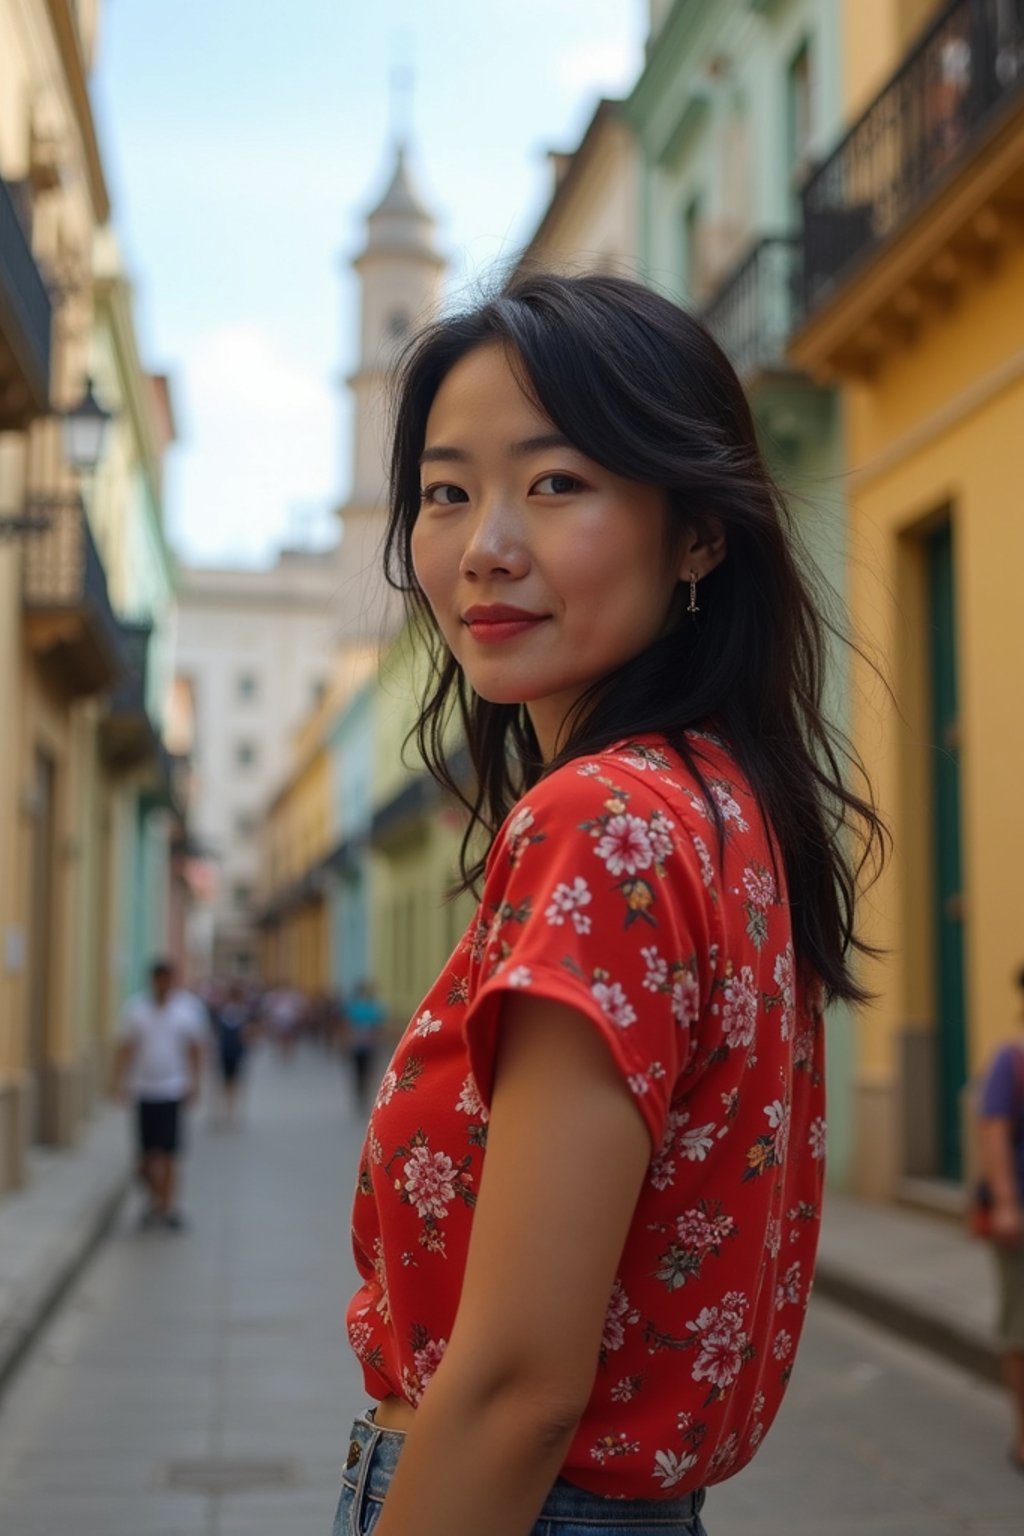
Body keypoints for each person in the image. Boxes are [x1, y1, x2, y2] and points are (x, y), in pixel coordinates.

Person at [335, 272, 885, 1536]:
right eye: (446, 493)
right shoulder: (723, 804)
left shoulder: (601, 822)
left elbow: (521, 1388)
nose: (485, 548)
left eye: (557, 483)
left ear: (698, 532)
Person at [114, 958, 204, 1230]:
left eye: (168, 980)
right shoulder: (136, 1009)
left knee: (169, 1154)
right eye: (159, 979)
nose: (164, 985)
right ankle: (153, 1199)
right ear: (152, 981)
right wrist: (120, 1082)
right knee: (144, 1156)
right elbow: (126, 1047)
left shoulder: (186, 1010)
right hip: (144, 1089)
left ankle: (167, 1207)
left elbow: (194, 1048)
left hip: (172, 1089)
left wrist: (194, 1082)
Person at [978, 965, 1024, 1470]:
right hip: (1021, 1218)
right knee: (1020, 1326)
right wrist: (1007, 1205)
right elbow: (993, 1131)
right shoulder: (1011, 1060)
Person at [209, 977, 255, 1125]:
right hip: (226, 1051)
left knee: (231, 1083)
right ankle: (225, 1112)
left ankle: (230, 1112)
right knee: (227, 1083)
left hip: (235, 1052)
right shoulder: (224, 1011)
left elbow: (248, 1033)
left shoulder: (241, 1012)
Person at [341, 980, 388, 1112]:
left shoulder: (373, 1008)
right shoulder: (354, 1007)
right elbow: (346, 1025)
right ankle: (361, 1093)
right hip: (357, 1046)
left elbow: (379, 1027)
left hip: (369, 1046)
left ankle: (364, 1093)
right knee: (359, 1072)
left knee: (366, 1071)